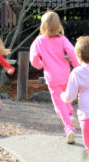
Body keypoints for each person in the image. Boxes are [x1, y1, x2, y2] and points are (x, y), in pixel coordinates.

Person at [29, 10, 79, 144]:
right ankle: (71, 114)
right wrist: (77, 67)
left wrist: (39, 65)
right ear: (58, 25)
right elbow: (73, 53)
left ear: (43, 26)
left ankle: (69, 128)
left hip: (52, 77)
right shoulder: (62, 39)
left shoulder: (39, 41)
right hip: (65, 74)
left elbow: (33, 57)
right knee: (65, 97)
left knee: (58, 105)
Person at [61, 36, 89, 162]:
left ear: (78, 56)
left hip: (86, 116)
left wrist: (63, 96)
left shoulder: (76, 73)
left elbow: (70, 97)